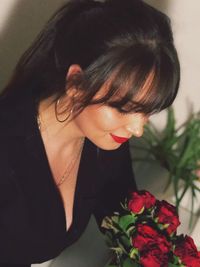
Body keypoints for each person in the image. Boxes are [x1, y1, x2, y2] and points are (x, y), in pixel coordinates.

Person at [0, 0, 180, 266]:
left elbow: (124, 218)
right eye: (124, 109)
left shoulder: (103, 141)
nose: (137, 129)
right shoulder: (7, 147)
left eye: (147, 111)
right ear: (76, 83)